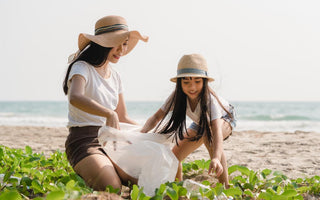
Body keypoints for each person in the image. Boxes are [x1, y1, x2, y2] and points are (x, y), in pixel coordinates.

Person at [62, 15, 148, 191]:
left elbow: (122, 116)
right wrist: (108, 113)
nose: (121, 50)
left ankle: (103, 166)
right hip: (84, 141)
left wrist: (148, 131)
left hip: (113, 140)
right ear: (102, 43)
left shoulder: (115, 76)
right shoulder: (82, 67)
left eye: (125, 43)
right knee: (112, 186)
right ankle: (90, 167)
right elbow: (75, 97)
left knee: (146, 180)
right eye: (116, 43)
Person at [141, 53, 236, 187]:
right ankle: (178, 189)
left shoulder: (210, 100)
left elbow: (216, 131)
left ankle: (225, 188)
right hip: (200, 123)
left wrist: (215, 157)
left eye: (197, 82)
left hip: (225, 117)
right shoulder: (176, 97)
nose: (192, 87)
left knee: (209, 136)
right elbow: (157, 117)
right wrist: (143, 132)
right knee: (173, 157)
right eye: (186, 82)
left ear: (204, 81)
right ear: (180, 83)